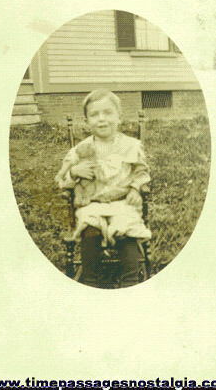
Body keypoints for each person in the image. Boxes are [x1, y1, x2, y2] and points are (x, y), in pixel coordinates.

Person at [55, 89, 151, 288]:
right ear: (87, 120)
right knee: (90, 227)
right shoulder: (80, 150)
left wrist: (134, 188)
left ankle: (130, 279)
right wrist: (74, 172)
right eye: (94, 114)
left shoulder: (131, 145)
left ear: (119, 117)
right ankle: (91, 278)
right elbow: (61, 179)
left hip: (123, 201)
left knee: (127, 227)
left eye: (108, 113)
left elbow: (142, 172)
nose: (101, 119)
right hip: (92, 203)